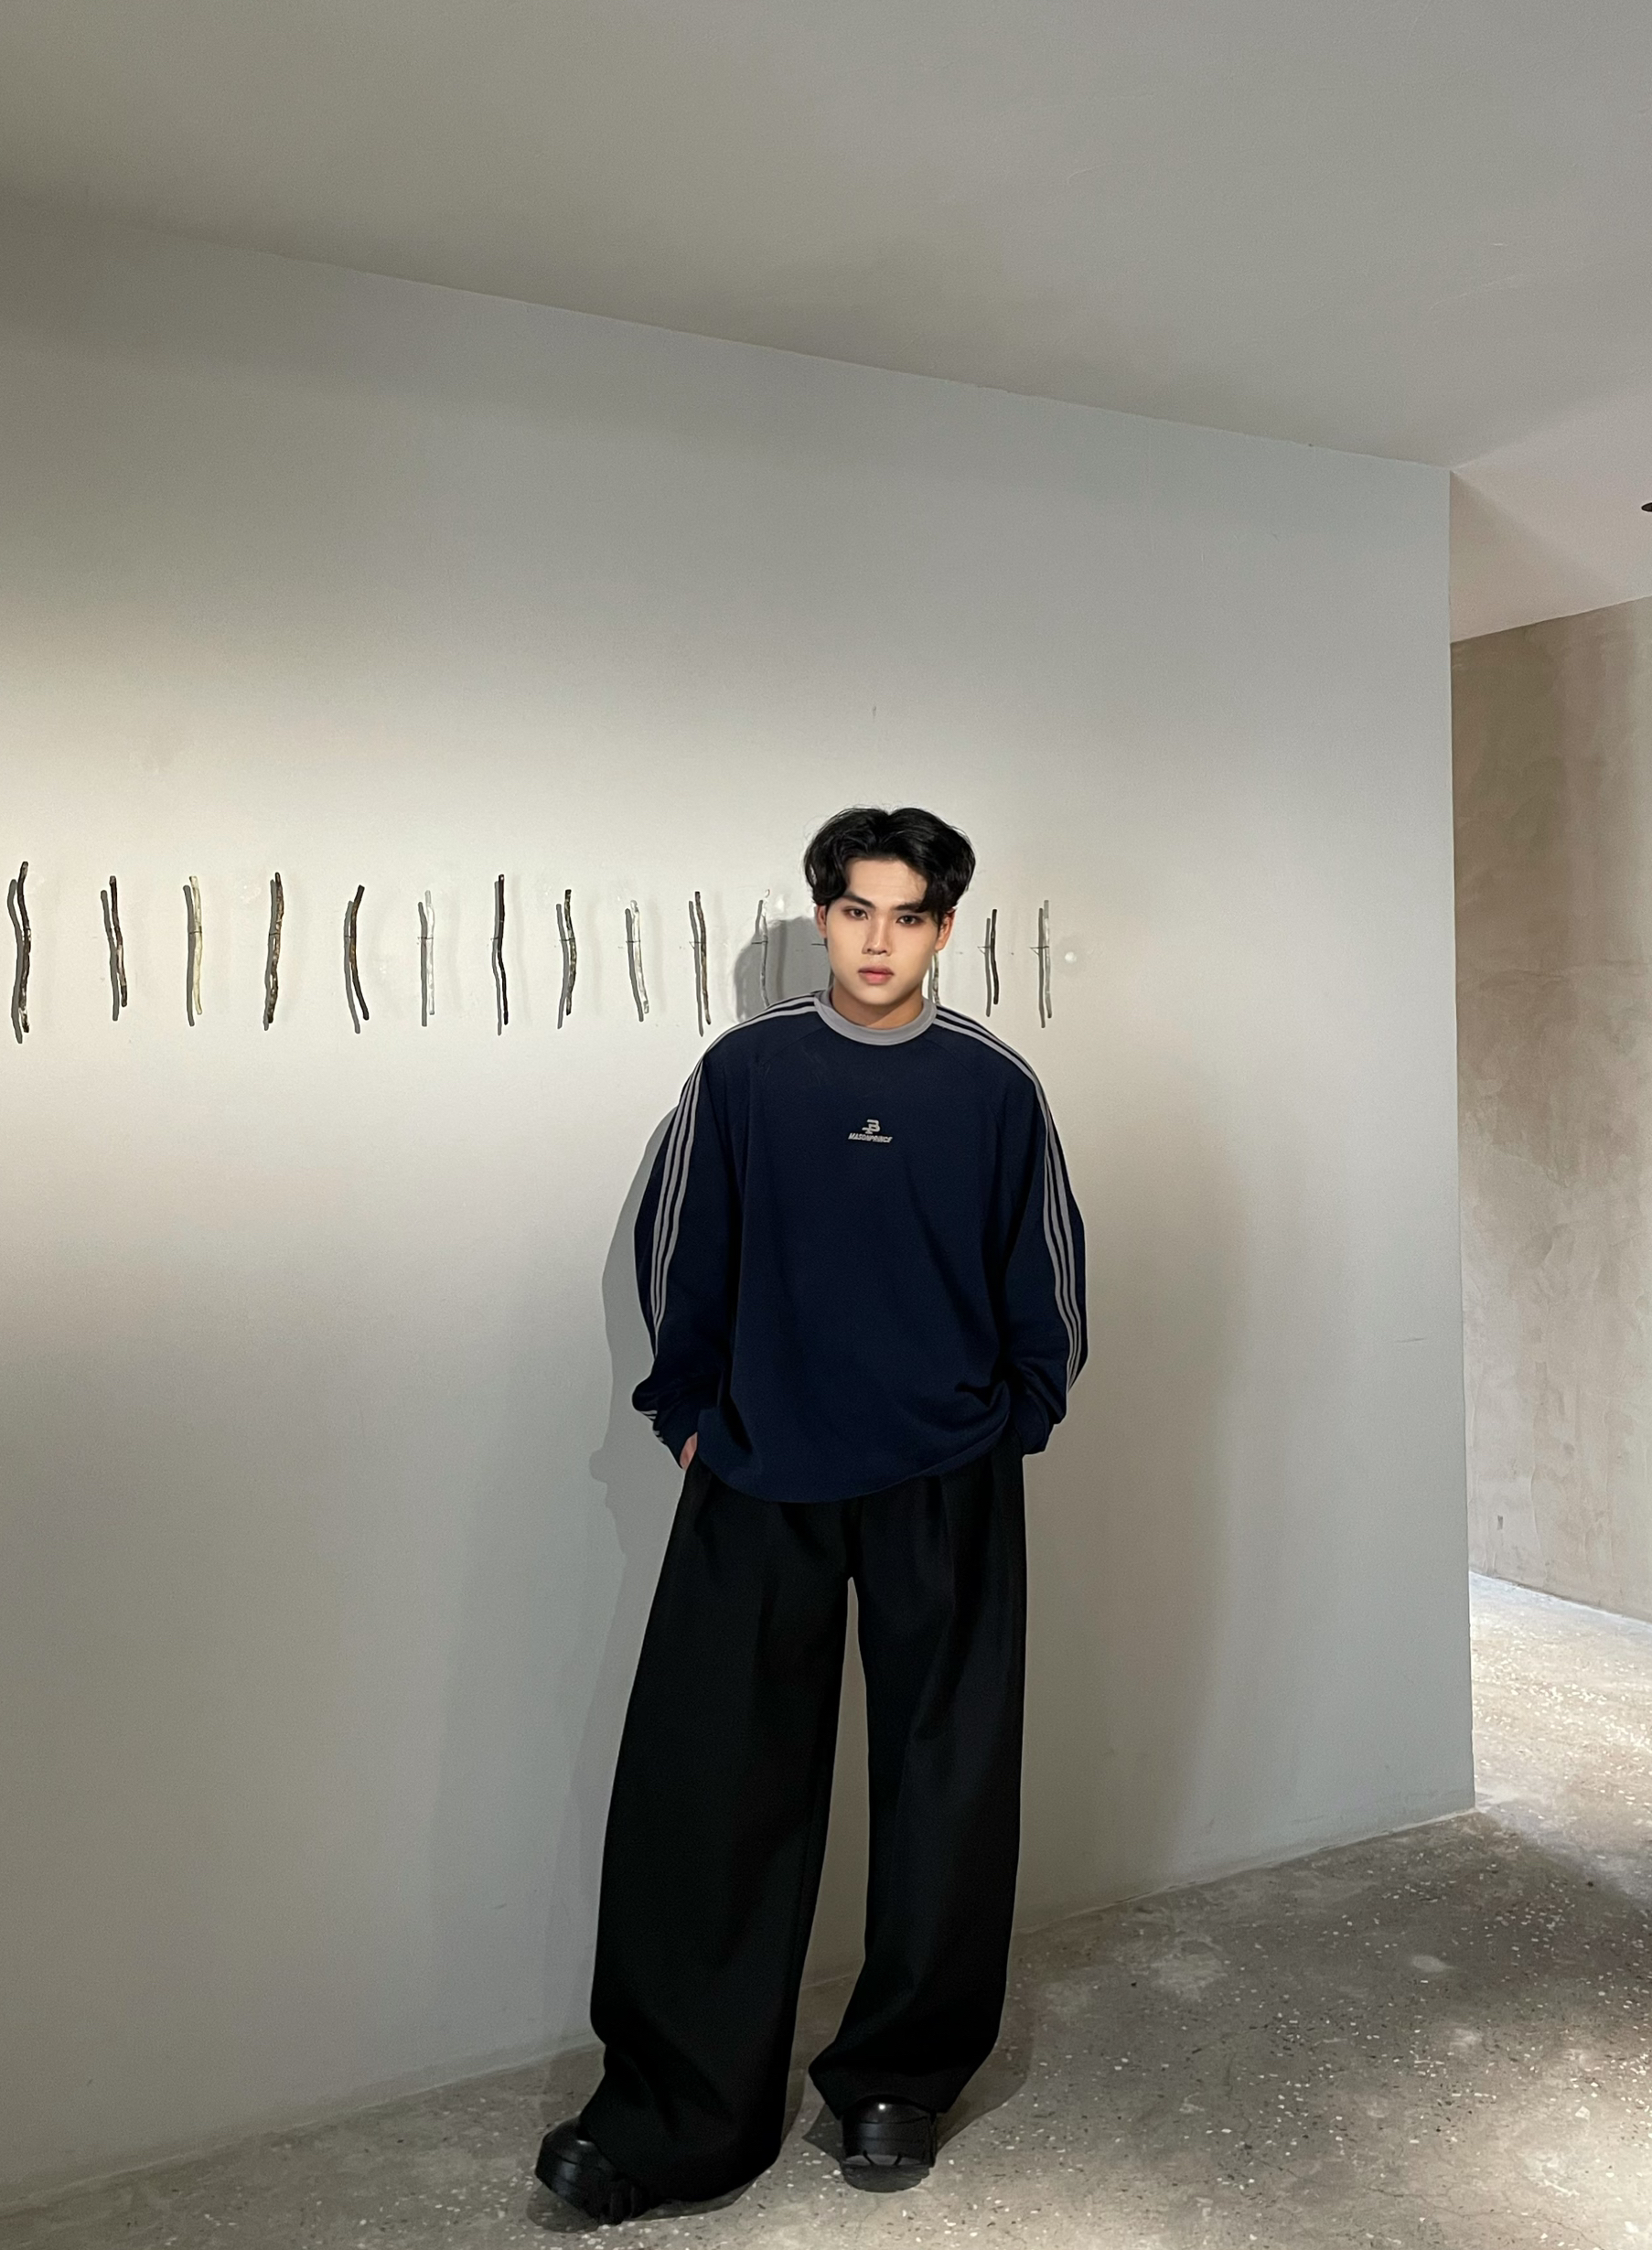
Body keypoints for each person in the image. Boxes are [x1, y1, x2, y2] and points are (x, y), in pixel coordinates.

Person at [536, 805, 1087, 2223]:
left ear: (943, 928)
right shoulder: (744, 1074)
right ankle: (675, 2109)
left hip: (943, 1479)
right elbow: (675, 1251)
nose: (876, 941)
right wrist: (690, 1416)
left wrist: (1012, 1420)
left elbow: (1045, 1276)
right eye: (853, 911)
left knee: (944, 1787)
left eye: (906, 916)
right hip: (760, 1471)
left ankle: (898, 2078)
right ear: (822, 915)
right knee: (710, 1787)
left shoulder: (993, 1088)